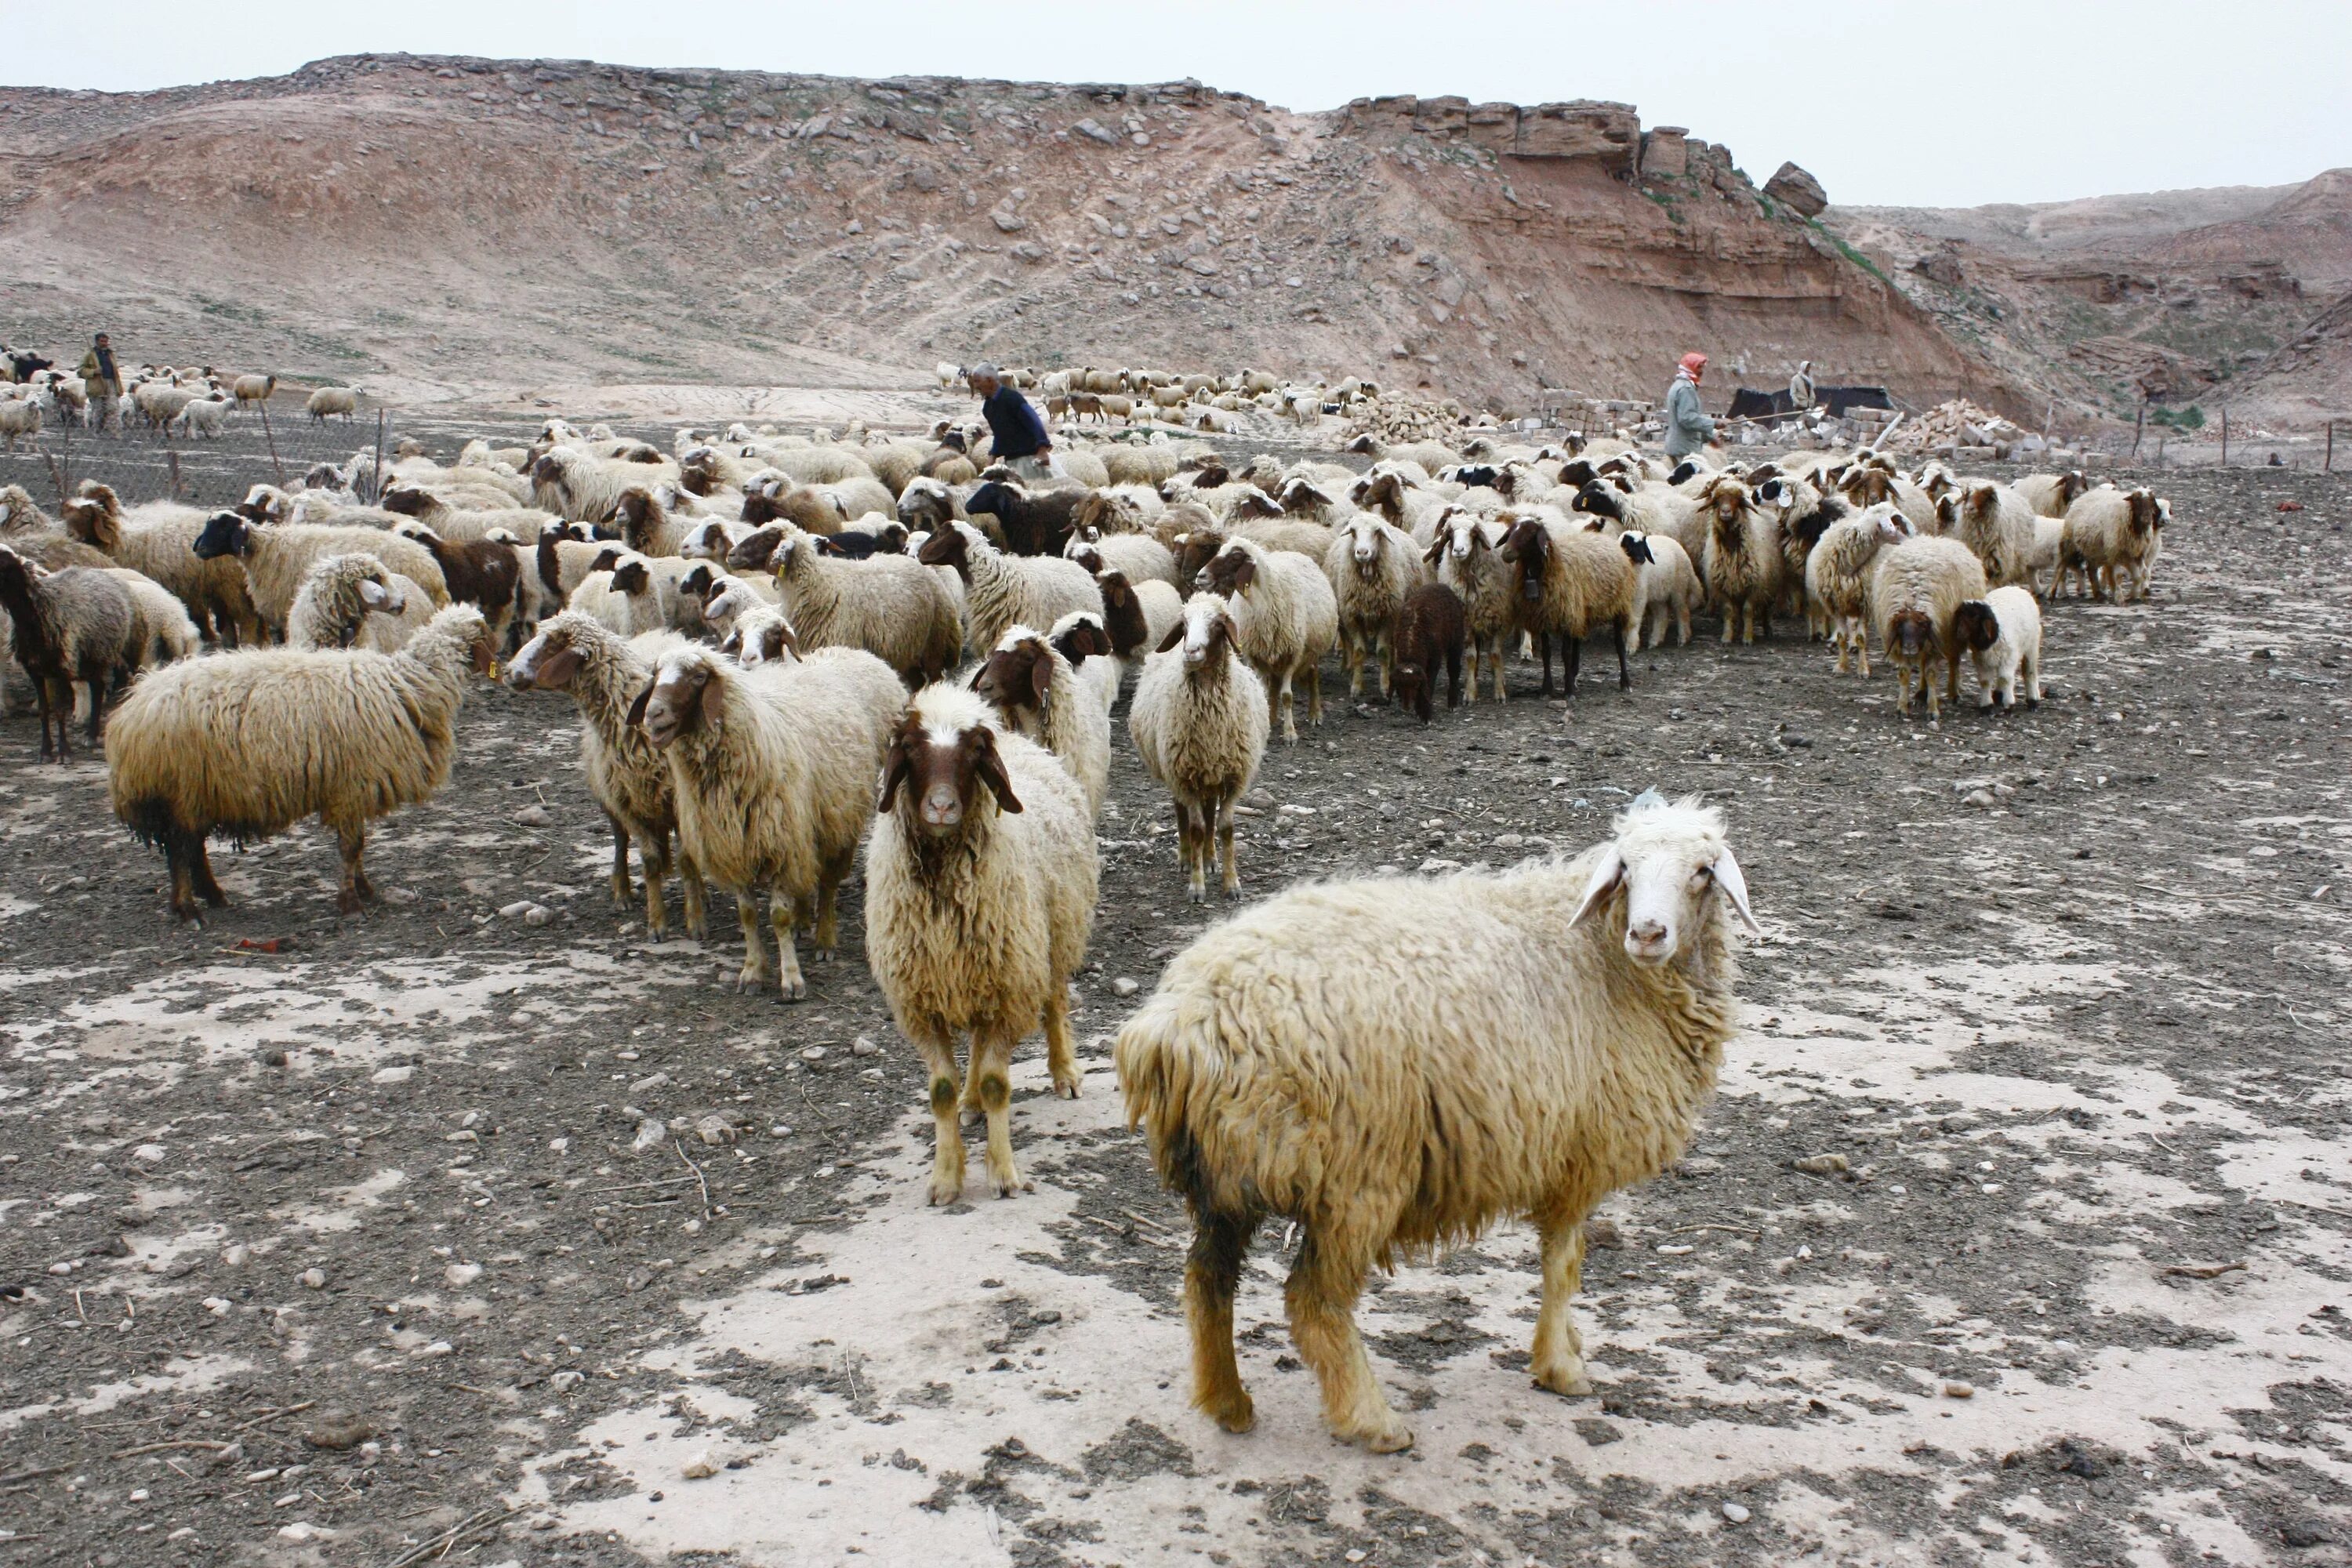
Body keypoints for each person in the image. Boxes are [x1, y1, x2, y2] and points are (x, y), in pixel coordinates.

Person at [970, 361, 1054, 482]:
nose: (975, 386)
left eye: (977, 381)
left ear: (989, 380)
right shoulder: (988, 407)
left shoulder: (1012, 398)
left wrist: (1042, 450)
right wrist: (993, 456)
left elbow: (1034, 421)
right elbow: (1000, 434)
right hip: (1011, 461)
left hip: (1029, 460)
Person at [1663, 351, 1716, 460]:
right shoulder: (1686, 389)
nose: (1702, 372)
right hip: (1685, 450)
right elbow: (1687, 419)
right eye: (1699, 368)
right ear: (1691, 368)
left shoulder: (1679, 386)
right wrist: (1714, 423)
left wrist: (1709, 437)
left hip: (1679, 446)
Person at [78, 332, 124, 431]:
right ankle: (97, 430)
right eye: (102, 341)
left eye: (106, 341)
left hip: (111, 382)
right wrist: (94, 372)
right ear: (97, 341)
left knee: (113, 407)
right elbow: (80, 371)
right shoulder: (90, 354)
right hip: (97, 384)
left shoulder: (110, 354)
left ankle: (114, 431)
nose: (105, 343)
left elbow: (115, 370)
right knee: (98, 409)